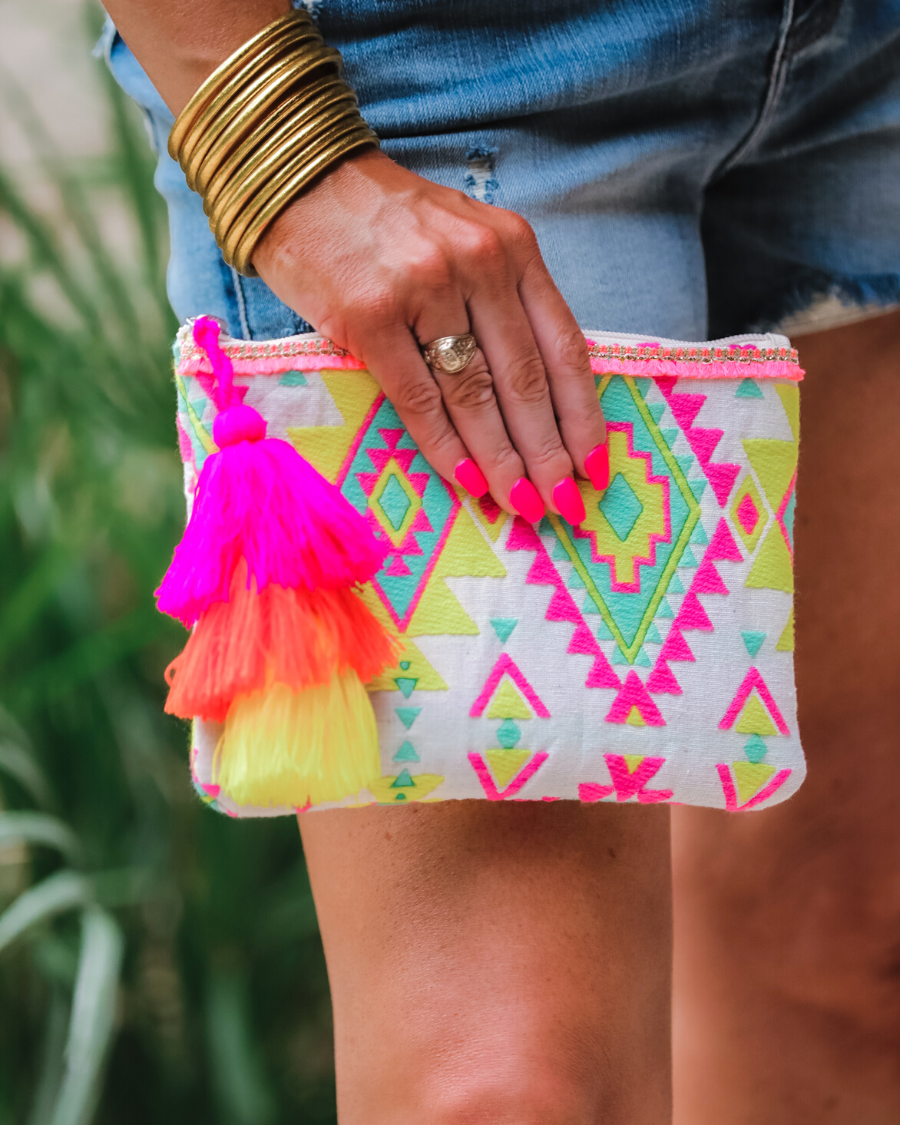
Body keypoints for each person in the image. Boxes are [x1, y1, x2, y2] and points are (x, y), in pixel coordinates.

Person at [100, 2, 900, 1121]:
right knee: (506, 1088)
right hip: (434, 80)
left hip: (873, 71)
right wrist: (279, 146)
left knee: (846, 969)